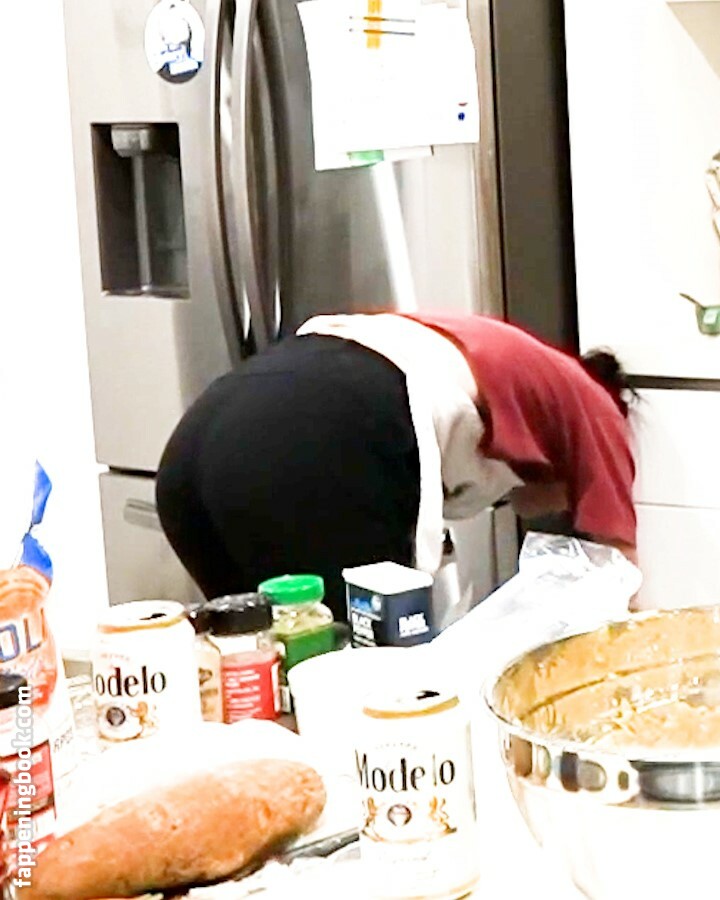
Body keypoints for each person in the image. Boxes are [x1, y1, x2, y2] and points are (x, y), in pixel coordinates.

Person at [155, 312, 637, 622]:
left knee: (256, 662)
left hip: (195, 448)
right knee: (377, 677)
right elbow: (621, 574)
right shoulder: (593, 404)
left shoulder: (476, 351)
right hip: (321, 439)